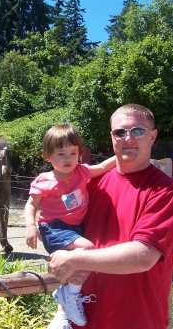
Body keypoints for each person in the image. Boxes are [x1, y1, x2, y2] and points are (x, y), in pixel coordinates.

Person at [48, 104, 173, 329]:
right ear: (112, 137)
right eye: (120, 132)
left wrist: (74, 260)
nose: (128, 138)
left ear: (152, 136)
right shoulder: (91, 184)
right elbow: (63, 227)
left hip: (136, 321)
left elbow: (143, 256)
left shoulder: (164, 191)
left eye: (137, 131)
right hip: (82, 319)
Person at [23, 124, 116, 329]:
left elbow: (101, 168)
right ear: (48, 156)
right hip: (53, 228)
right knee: (89, 249)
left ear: (79, 154)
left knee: (81, 262)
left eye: (73, 153)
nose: (68, 159)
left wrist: (119, 155)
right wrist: (30, 226)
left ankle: (65, 302)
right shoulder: (44, 181)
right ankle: (70, 295)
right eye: (61, 154)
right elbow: (31, 204)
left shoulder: (81, 172)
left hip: (75, 228)